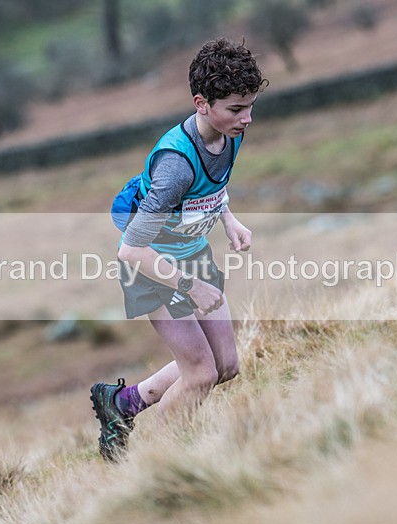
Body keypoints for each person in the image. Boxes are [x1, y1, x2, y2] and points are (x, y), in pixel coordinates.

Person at [91, 38, 267, 462]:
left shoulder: (228, 132)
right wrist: (191, 286)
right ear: (201, 104)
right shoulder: (175, 166)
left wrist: (229, 219)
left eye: (250, 106)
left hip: (190, 252)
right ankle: (155, 465)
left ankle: (123, 403)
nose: (247, 118)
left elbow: (213, 185)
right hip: (151, 267)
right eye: (236, 109)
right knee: (201, 374)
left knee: (225, 365)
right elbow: (131, 252)